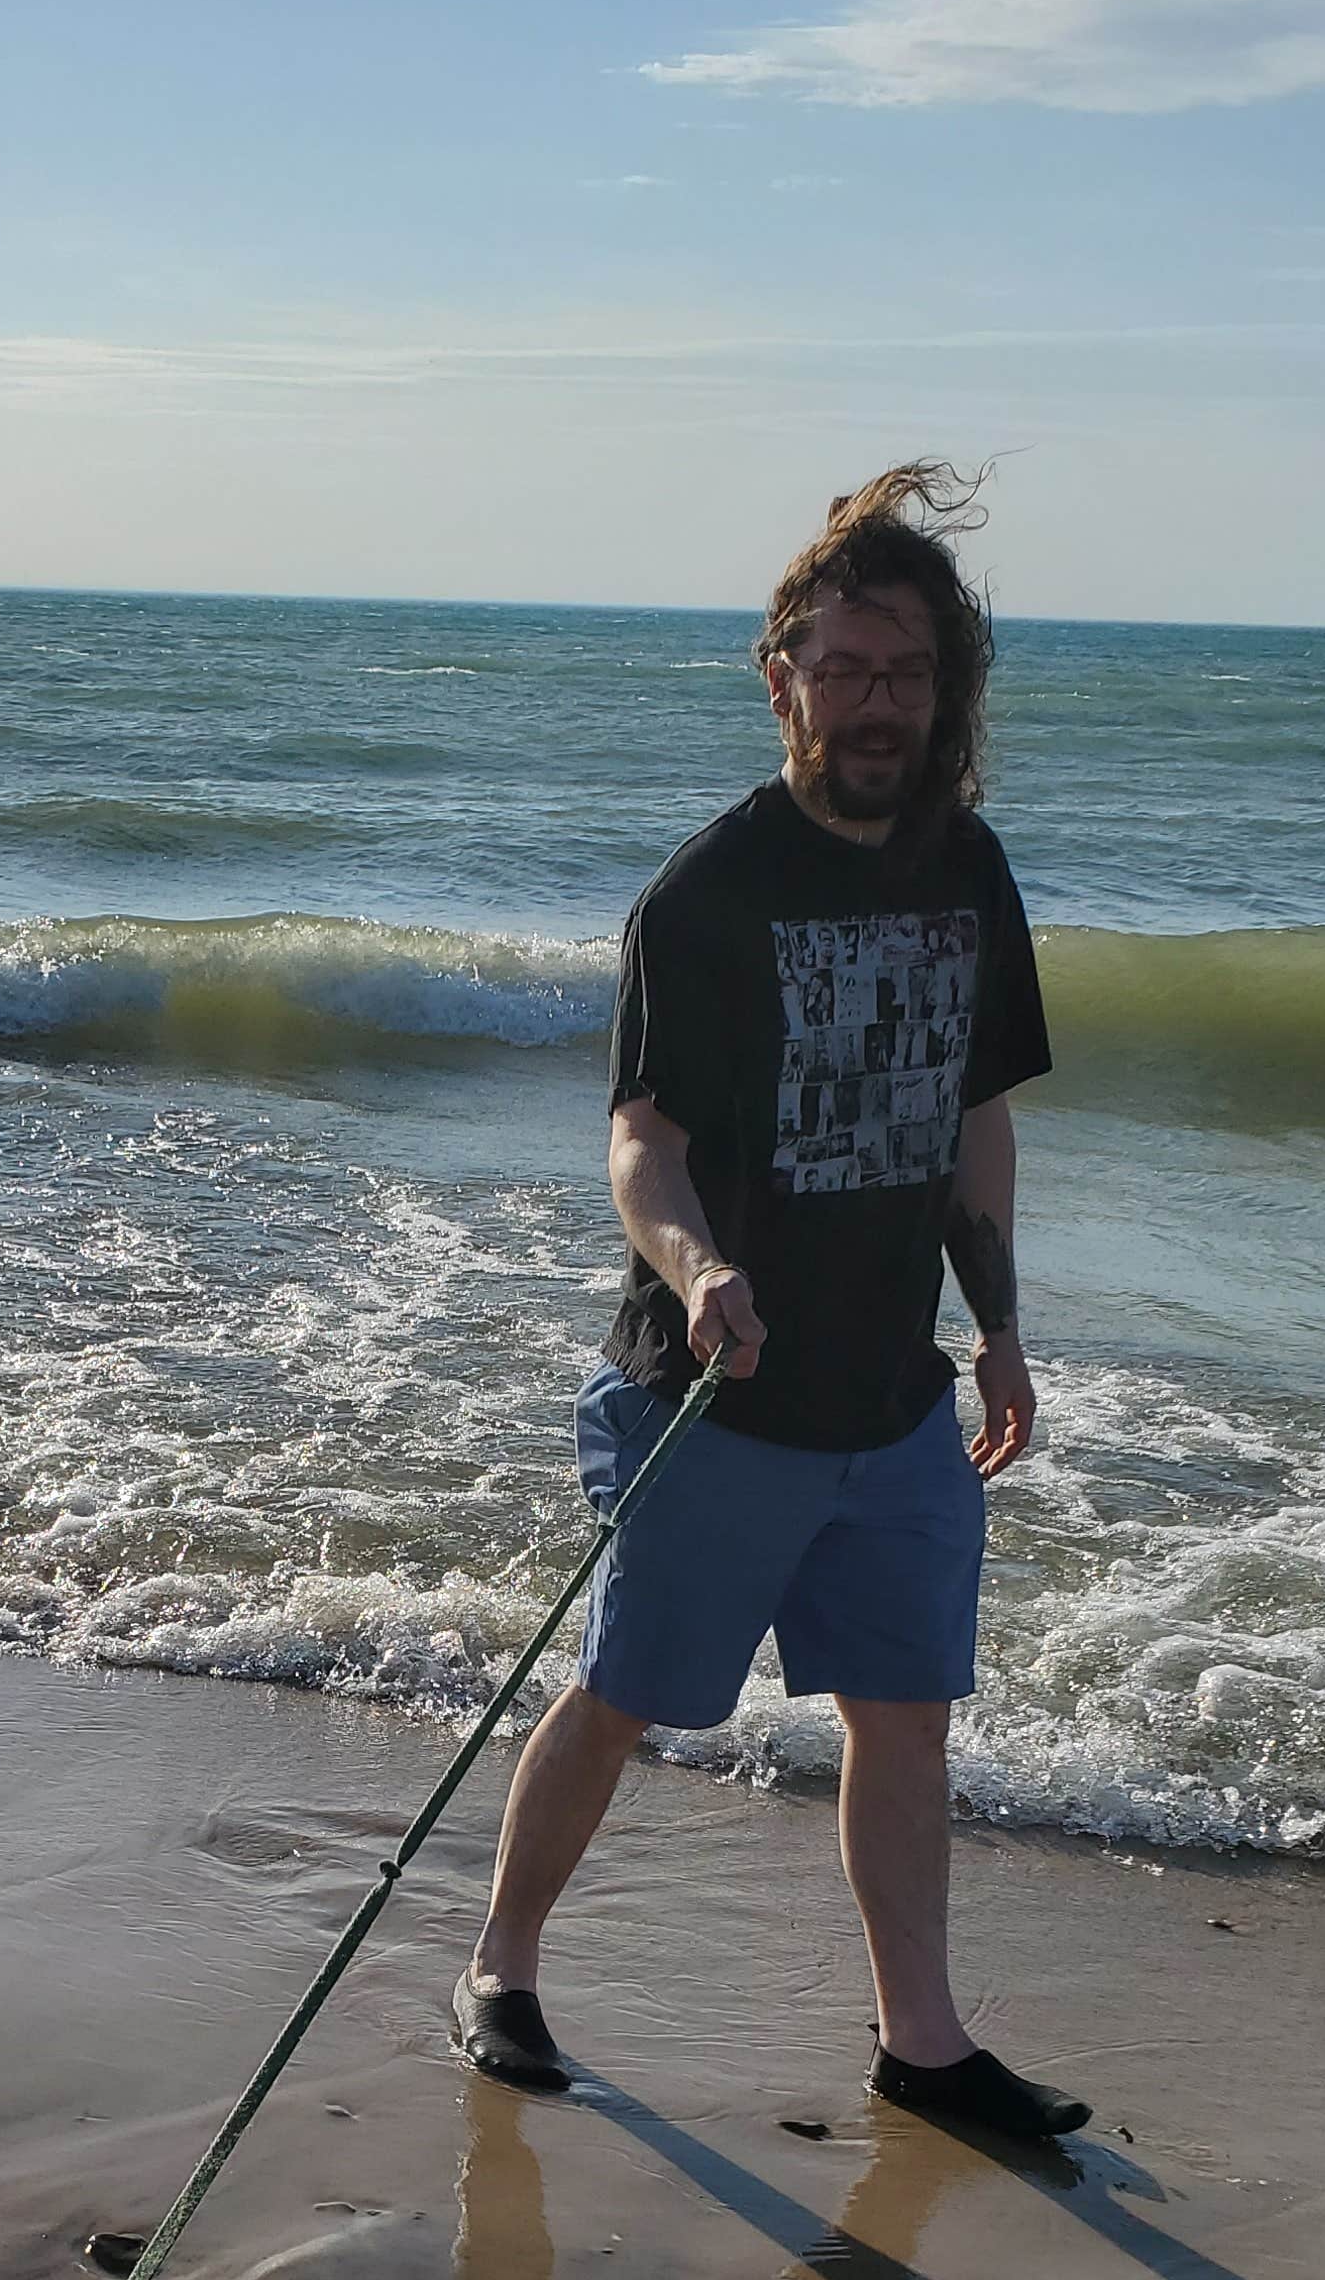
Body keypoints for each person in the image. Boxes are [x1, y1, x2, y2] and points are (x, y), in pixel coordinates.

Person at [452, 462, 1090, 2144]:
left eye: (908, 673)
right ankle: (504, 1964)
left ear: (945, 690)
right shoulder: (709, 894)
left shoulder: (971, 871)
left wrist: (1002, 1327)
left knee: (906, 1721)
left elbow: (974, 1117)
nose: (877, 703)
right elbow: (640, 1140)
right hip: (712, 1395)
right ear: (782, 673)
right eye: (846, 667)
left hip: (894, 1400)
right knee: (627, 1698)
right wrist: (701, 1264)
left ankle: (923, 2041)